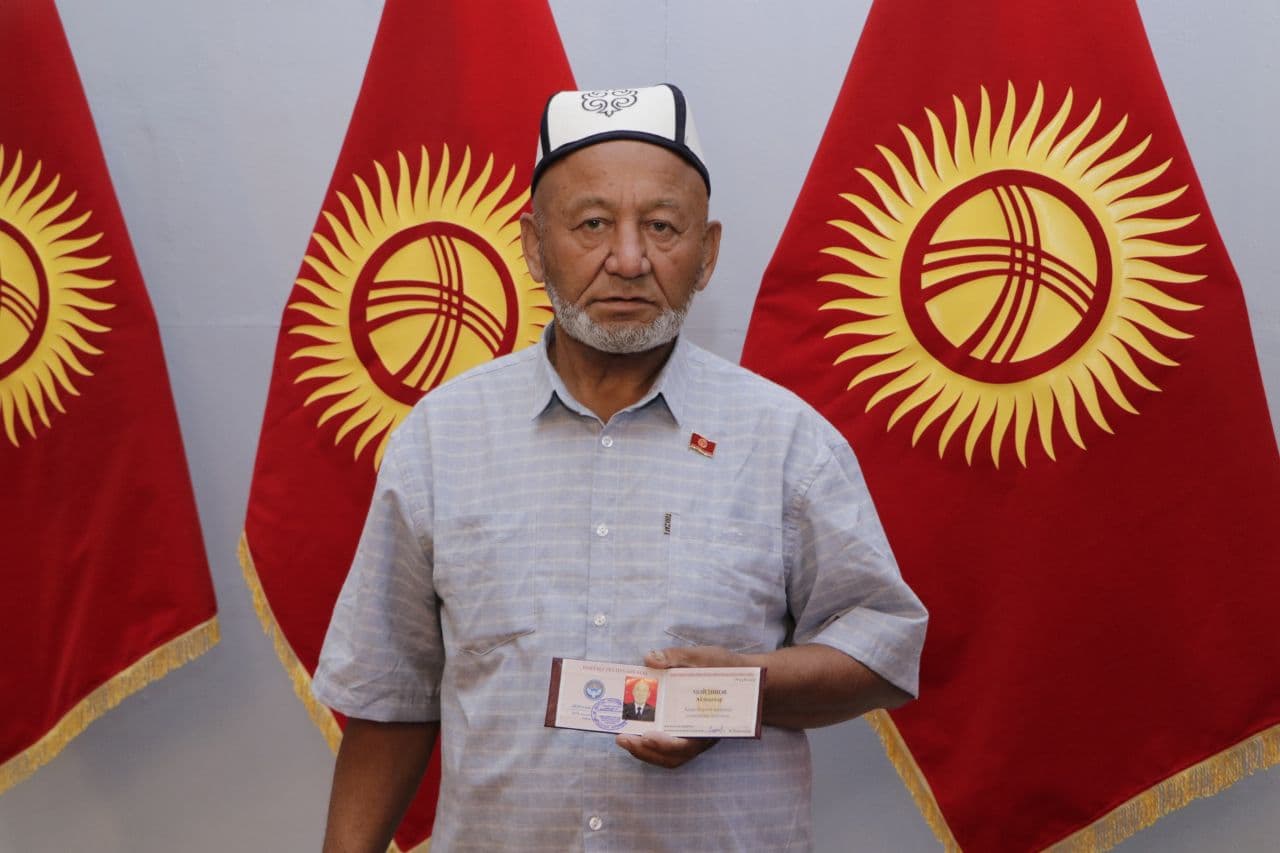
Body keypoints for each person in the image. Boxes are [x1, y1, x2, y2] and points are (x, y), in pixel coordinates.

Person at [312, 83, 927, 852]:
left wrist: (739, 689)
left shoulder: (785, 442)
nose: (629, 260)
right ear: (534, 245)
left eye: (662, 226)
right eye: (592, 224)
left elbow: (884, 648)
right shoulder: (443, 437)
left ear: (707, 253)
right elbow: (390, 693)